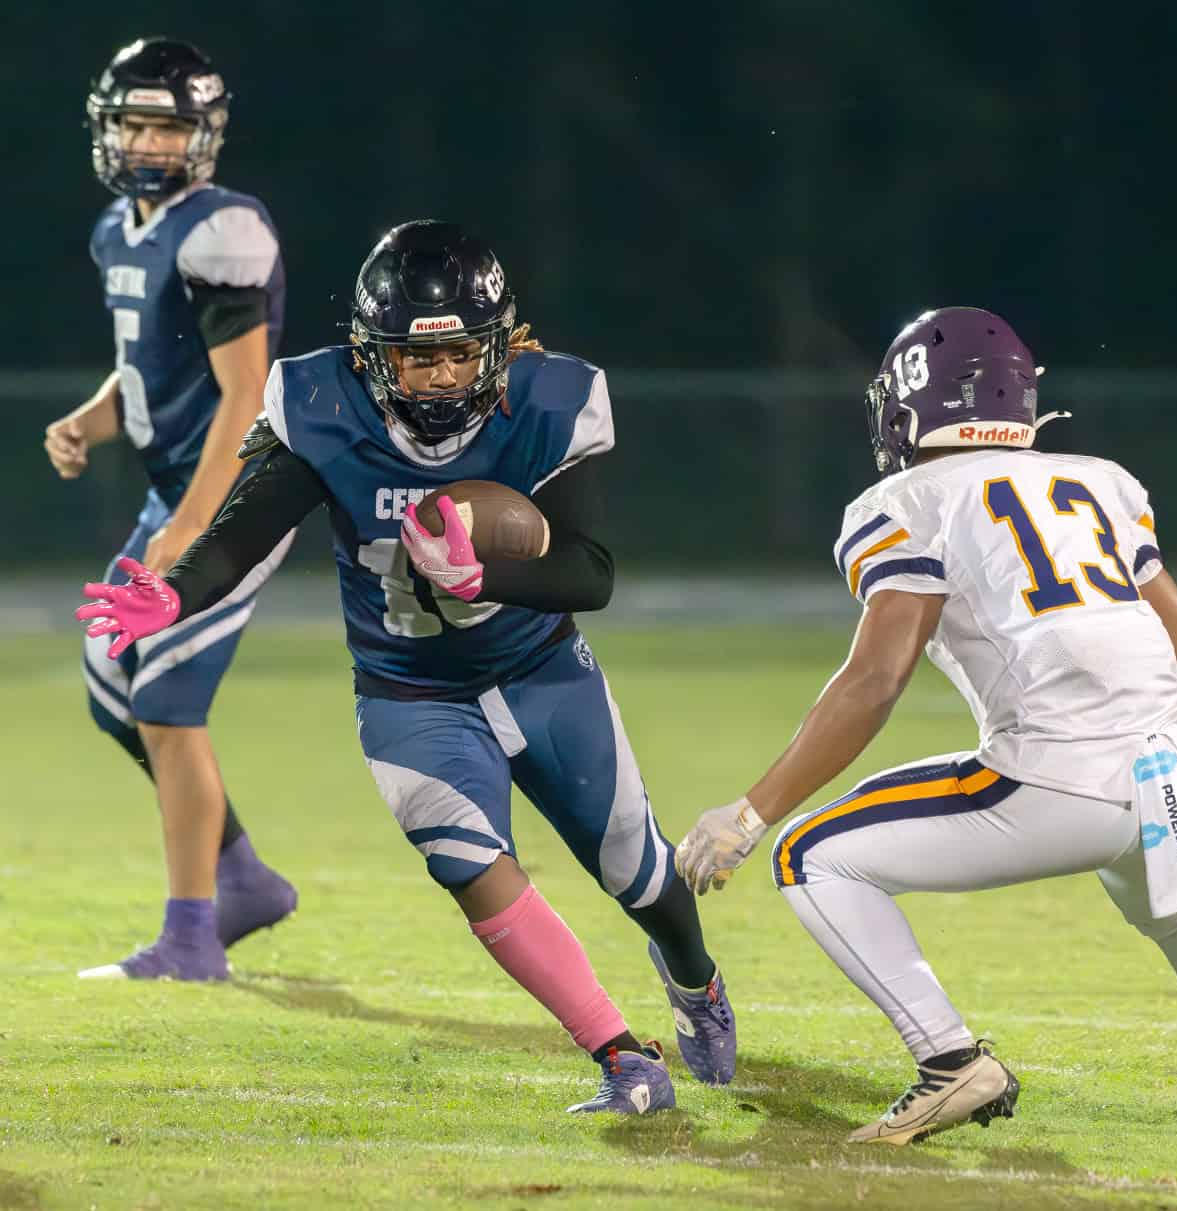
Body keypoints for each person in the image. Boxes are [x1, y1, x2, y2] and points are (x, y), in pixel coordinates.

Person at [76, 220, 736, 1113]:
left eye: (462, 354)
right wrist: (176, 591)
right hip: (408, 690)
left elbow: (590, 572)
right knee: (467, 863)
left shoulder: (553, 400)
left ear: (498, 347)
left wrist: (487, 575)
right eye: (415, 358)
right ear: (368, 353)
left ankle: (694, 981)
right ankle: (623, 1058)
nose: (439, 378)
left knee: (636, 871)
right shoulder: (321, 402)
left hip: (543, 674)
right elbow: (238, 536)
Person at [675, 307, 1177, 1142]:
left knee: (809, 854)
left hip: (1054, 778)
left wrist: (749, 812)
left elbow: (875, 679)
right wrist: (1139, 736)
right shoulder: (1100, 479)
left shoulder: (908, 500)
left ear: (909, 406)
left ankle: (951, 1062)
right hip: (1165, 764)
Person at [47, 37, 296, 981]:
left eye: (167, 124)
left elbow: (243, 394)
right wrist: (93, 417)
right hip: (177, 493)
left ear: (203, 135)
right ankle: (242, 879)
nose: (149, 142)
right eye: (135, 122)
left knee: (163, 699)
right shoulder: (122, 230)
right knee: (113, 686)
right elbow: (152, 366)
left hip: (239, 498)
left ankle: (191, 937)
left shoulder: (222, 231)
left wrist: (190, 532)